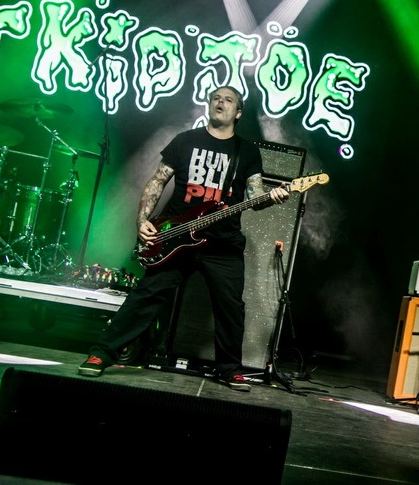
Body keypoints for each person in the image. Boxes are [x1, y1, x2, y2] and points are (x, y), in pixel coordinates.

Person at [78, 85, 289, 392]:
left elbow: (255, 195)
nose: (220, 102)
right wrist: (142, 220)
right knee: (146, 296)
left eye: (228, 100)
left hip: (223, 242)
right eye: (216, 98)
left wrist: (273, 197)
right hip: (176, 236)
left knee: (231, 308)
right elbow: (157, 181)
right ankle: (101, 353)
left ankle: (230, 369)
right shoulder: (185, 141)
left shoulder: (246, 151)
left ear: (238, 113)